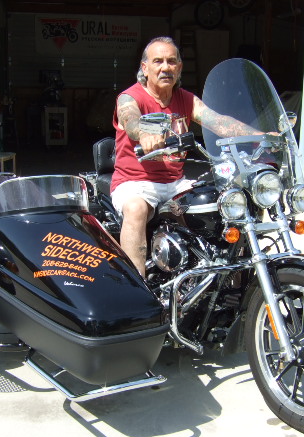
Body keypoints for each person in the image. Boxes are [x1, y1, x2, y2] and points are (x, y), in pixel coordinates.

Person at [111, 36, 262, 276]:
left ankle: (219, 275)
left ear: (179, 67)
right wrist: (145, 134)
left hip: (175, 183)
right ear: (145, 68)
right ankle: (136, 285)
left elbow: (219, 122)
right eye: (158, 61)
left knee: (223, 202)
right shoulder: (130, 97)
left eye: (171, 61)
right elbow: (131, 120)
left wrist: (260, 136)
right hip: (135, 183)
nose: (165, 67)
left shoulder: (186, 99)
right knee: (136, 209)